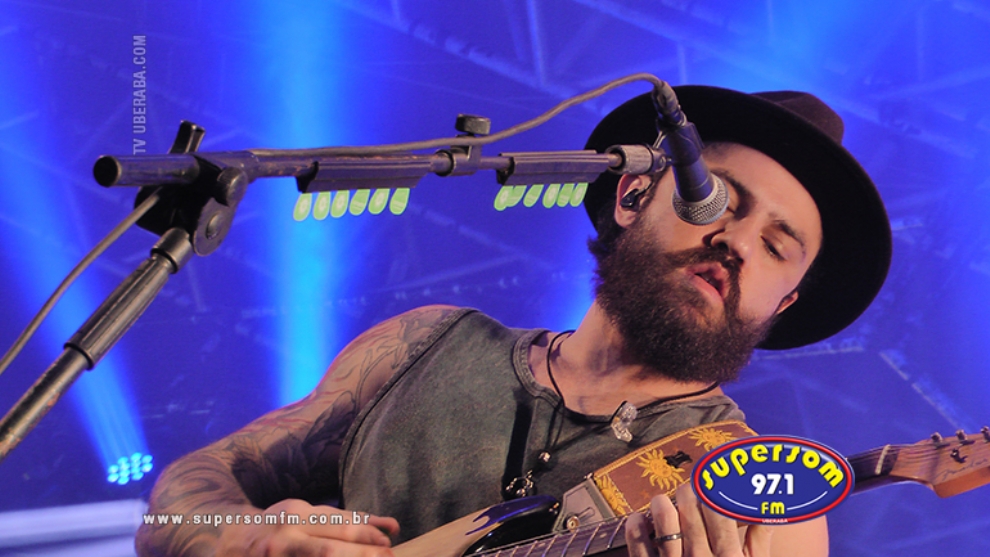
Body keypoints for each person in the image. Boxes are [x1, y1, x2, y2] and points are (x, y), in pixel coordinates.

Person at [135, 85, 891, 557]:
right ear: (632, 196)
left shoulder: (759, 493)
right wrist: (247, 536)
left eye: (777, 246)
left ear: (783, 303)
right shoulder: (423, 345)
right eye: (717, 199)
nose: (736, 243)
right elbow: (175, 504)